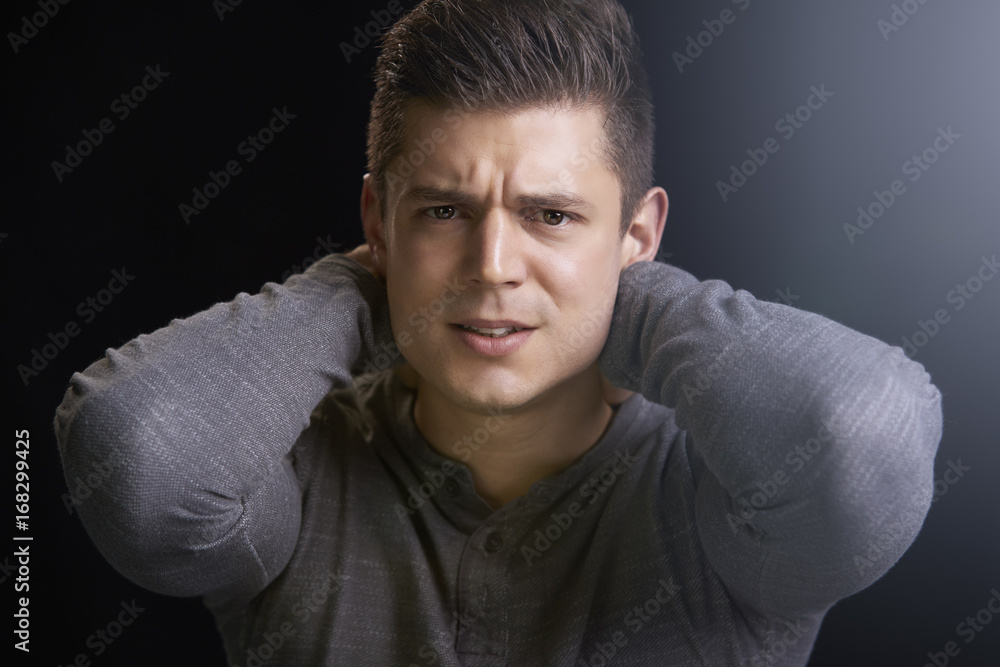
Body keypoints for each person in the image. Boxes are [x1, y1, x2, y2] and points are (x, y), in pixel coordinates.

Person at [54, 0, 943, 664]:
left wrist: (623, 302)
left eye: (551, 215)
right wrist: (372, 287)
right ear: (377, 216)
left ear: (639, 233)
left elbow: (862, 436)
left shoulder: (734, 497)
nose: (491, 264)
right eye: (444, 209)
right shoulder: (296, 473)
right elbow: (136, 456)